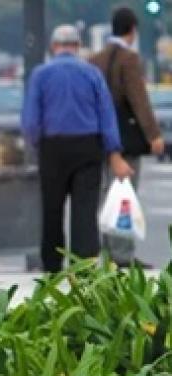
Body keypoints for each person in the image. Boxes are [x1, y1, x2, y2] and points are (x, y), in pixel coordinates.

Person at [22, 25, 135, 273]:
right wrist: (113, 151)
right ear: (77, 46)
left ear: (53, 47)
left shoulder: (41, 74)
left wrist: (35, 144)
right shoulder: (92, 74)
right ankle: (84, 263)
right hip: (88, 146)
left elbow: (31, 120)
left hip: (53, 147)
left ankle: (51, 263)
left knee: (52, 208)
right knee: (85, 209)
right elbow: (106, 115)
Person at [89, 6, 164, 268]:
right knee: (124, 196)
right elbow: (138, 99)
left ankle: (107, 251)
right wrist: (154, 134)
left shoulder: (95, 58)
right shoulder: (129, 59)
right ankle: (123, 255)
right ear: (132, 30)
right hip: (125, 138)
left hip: (99, 136)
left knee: (104, 196)